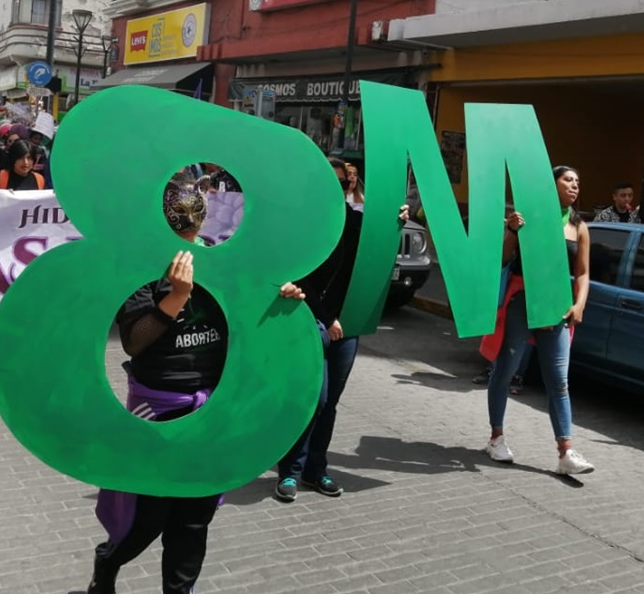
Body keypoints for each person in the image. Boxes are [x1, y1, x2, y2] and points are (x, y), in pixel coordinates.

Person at [88, 173, 305, 594]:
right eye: (178, 229)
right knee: (145, 519)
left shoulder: (222, 261)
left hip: (213, 411)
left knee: (193, 519)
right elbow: (134, 342)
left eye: (192, 229)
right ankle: (108, 562)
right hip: (159, 409)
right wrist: (174, 298)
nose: (187, 238)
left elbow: (255, 319)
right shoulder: (139, 267)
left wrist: (285, 299)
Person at [273, 158, 409, 502]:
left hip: (346, 325)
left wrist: (395, 226)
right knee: (313, 400)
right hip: (311, 320)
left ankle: (314, 471)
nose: (341, 189)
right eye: (332, 182)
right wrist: (327, 315)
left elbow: (374, 267)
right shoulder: (303, 227)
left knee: (330, 402)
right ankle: (289, 471)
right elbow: (296, 278)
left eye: (345, 183)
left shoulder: (357, 224)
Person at [484, 165, 595, 476]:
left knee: (559, 381)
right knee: (506, 370)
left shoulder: (579, 226)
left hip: (557, 309)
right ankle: (496, 437)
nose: (574, 186)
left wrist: (579, 303)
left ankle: (566, 451)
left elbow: (584, 272)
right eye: (567, 180)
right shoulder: (528, 217)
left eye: (577, 181)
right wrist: (511, 230)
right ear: (552, 184)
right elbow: (504, 258)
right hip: (521, 302)